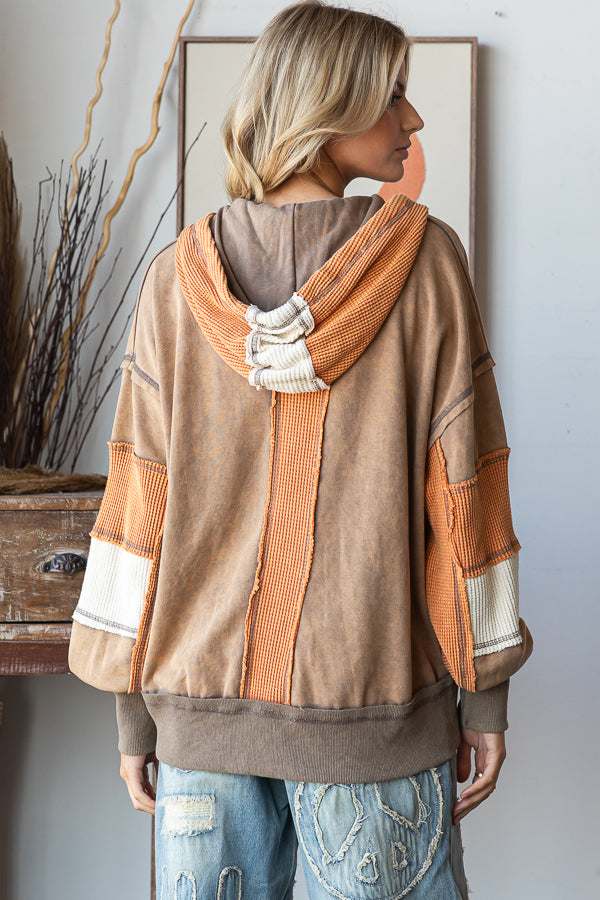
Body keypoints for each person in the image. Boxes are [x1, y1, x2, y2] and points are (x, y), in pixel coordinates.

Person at [68, 2, 533, 897]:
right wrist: (485, 694)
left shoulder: (175, 283)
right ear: (327, 105)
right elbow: (467, 495)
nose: (413, 117)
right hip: (375, 730)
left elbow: (134, 513)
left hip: (198, 738)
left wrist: (136, 716)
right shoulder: (427, 264)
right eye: (391, 94)